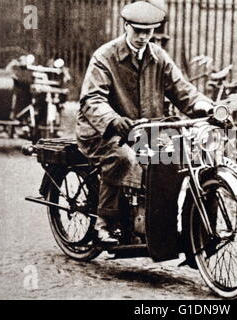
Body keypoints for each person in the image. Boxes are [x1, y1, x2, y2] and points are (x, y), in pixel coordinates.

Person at [76, 0, 212, 243]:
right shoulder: (105, 56)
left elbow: (182, 90)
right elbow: (91, 99)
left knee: (174, 157)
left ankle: (157, 224)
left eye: (147, 32)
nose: (142, 37)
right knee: (124, 158)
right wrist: (113, 120)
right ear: (126, 26)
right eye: (137, 30)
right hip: (103, 131)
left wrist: (202, 105)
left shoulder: (158, 57)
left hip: (145, 129)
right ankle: (104, 222)